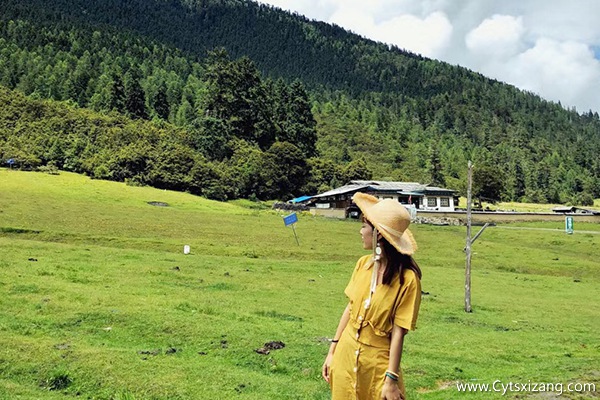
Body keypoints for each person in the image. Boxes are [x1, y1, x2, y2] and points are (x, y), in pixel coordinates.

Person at [322, 192, 422, 400]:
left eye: (364, 226)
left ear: (379, 235)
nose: (360, 231)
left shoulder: (407, 279)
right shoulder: (362, 265)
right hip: (346, 356)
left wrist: (391, 379)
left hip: (378, 366)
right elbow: (350, 309)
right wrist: (332, 351)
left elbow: (398, 331)